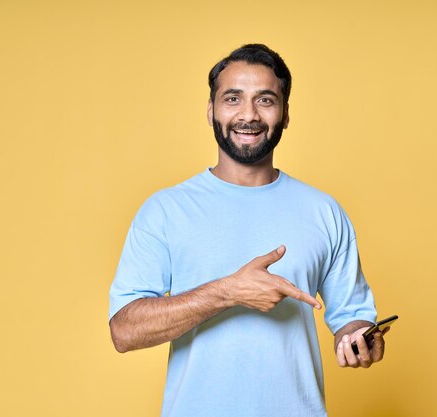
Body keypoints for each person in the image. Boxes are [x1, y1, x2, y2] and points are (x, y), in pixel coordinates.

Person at [109, 43, 390, 417]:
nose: (248, 115)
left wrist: (359, 338)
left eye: (265, 100)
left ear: (285, 114)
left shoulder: (324, 211)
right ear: (211, 111)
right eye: (232, 99)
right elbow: (125, 331)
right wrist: (228, 292)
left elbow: (350, 316)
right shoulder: (165, 211)